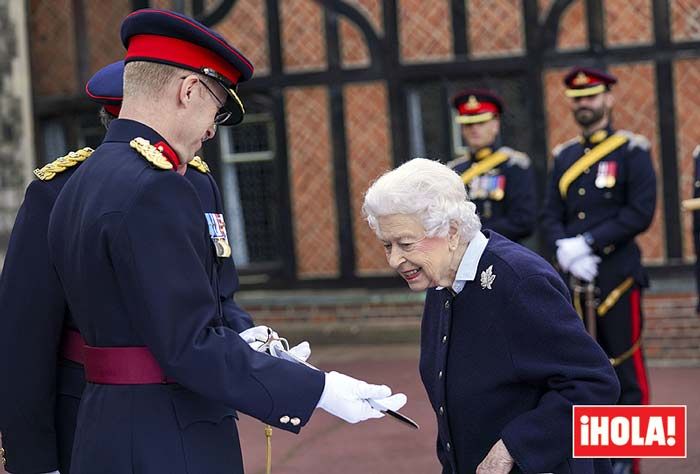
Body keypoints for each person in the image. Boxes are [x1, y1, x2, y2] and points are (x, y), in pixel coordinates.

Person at [45, 9, 404, 474]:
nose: (212, 128)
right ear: (189, 90)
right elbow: (188, 344)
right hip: (166, 435)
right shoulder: (157, 186)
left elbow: (142, 315)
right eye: (216, 108)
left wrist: (247, 340)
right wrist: (319, 389)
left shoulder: (79, 180)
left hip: (105, 426)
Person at [0, 58, 302, 473]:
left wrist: (248, 336)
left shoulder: (195, 181)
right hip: (97, 405)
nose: (211, 128)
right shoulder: (60, 190)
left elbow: (217, 292)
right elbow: (25, 333)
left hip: (196, 404)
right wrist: (33, 458)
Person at [362, 157, 620, 474]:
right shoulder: (440, 279)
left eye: (405, 243)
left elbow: (593, 383)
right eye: (387, 245)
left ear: (452, 231)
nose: (394, 260)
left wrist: (513, 446)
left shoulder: (520, 281)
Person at [539, 66, 656, 474]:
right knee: (580, 373)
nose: (584, 104)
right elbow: (550, 213)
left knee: (624, 369)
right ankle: (594, 456)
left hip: (617, 279)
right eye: (578, 98)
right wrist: (564, 249)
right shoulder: (564, 156)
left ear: (608, 98)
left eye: (591, 96)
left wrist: (589, 243)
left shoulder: (632, 151)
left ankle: (627, 461)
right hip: (572, 281)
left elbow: (641, 211)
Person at [446, 89, 536, 242]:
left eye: (481, 123)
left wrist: (475, 234)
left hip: (501, 250)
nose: (474, 129)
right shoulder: (455, 170)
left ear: (495, 124)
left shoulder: (513, 165)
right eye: (468, 124)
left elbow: (523, 221)